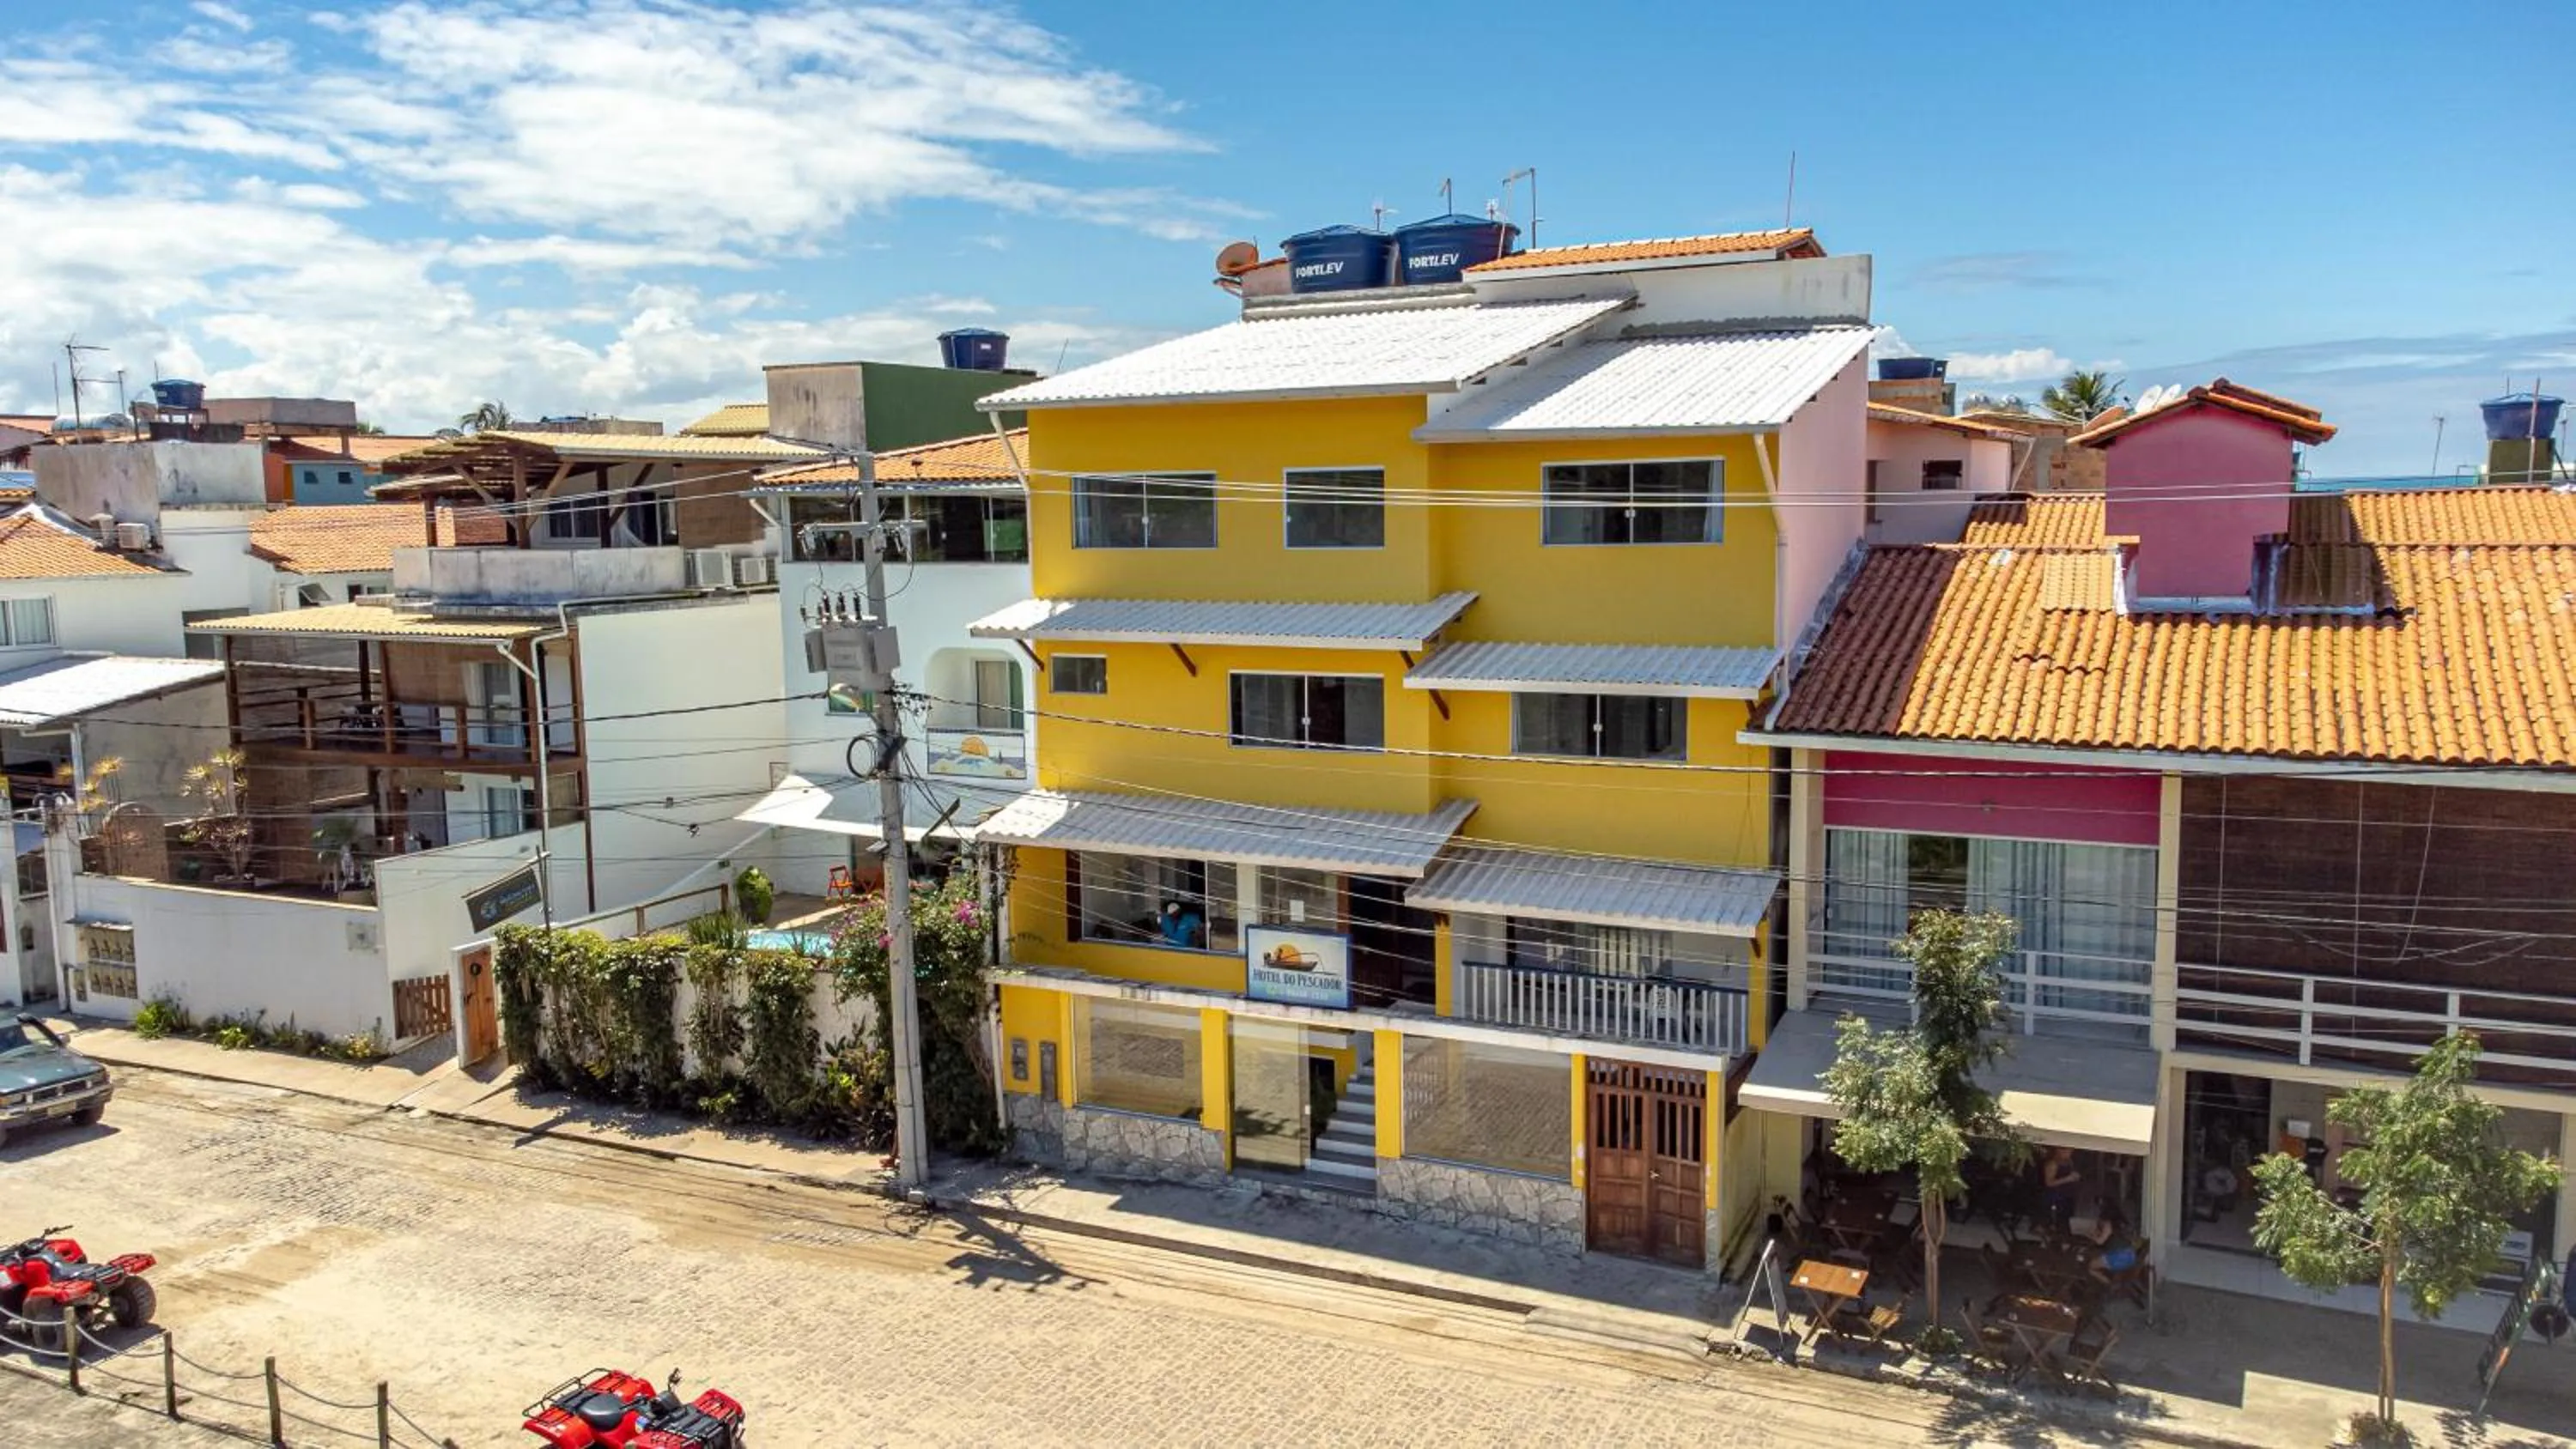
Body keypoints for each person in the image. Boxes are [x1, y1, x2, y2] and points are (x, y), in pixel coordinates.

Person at [2040, 1147, 2082, 1233]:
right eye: (2067, 1151)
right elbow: (2048, 1182)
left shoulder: (2069, 1161)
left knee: (2065, 1219)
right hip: (2056, 1196)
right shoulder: (2053, 1163)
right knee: (2056, 1220)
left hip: (2067, 1195)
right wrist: (2068, 1179)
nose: (2069, 1153)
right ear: (2058, 1150)